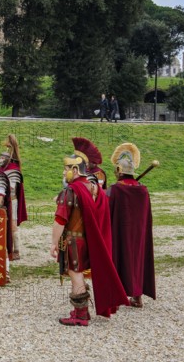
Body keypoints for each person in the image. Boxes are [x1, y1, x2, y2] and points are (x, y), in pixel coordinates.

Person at [50, 137, 129, 326]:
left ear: (76, 170)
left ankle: (81, 314)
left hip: (74, 241)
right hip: (87, 240)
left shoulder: (70, 191)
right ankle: (80, 309)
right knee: (77, 273)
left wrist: (53, 243)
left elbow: (60, 220)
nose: (65, 171)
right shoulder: (91, 187)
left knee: (75, 273)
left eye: (67, 168)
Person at [107, 143, 155, 308]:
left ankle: (116, 295)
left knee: (119, 259)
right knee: (137, 260)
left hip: (119, 232)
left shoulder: (115, 189)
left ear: (120, 171)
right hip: (139, 233)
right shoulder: (143, 189)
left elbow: (105, 208)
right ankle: (137, 296)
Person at [0, 135, 28, 260]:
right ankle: (7, 248)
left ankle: (16, 250)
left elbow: (11, 188)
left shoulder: (13, 170)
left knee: (12, 225)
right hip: (3, 200)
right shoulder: (2, 168)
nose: (0, 159)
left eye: (2, 157)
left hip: (11, 200)